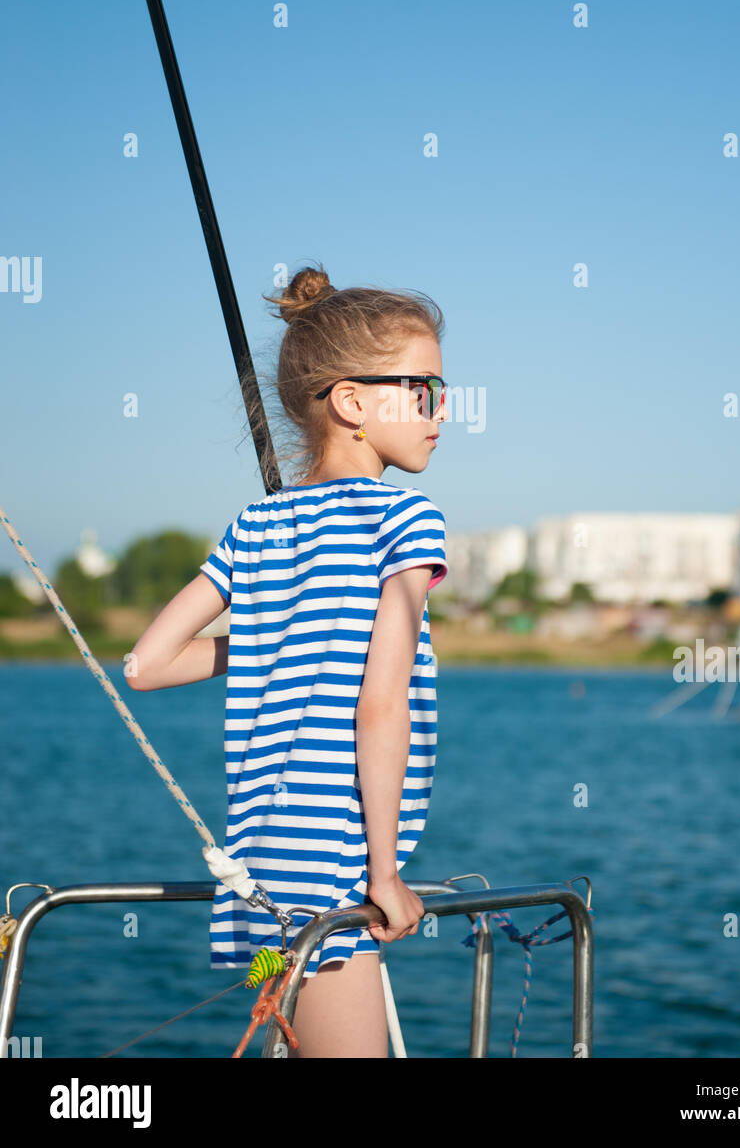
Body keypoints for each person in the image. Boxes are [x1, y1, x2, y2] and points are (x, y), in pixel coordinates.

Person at [126, 263, 449, 1058]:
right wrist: (382, 877)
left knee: (285, 1039)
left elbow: (147, 665)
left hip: (256, 888)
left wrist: (288, 638)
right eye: (424, 391)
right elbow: (381, 704)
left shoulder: (255, 526)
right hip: (333, 884)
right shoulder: (406, 521)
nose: (442, 412)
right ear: (351, 403)